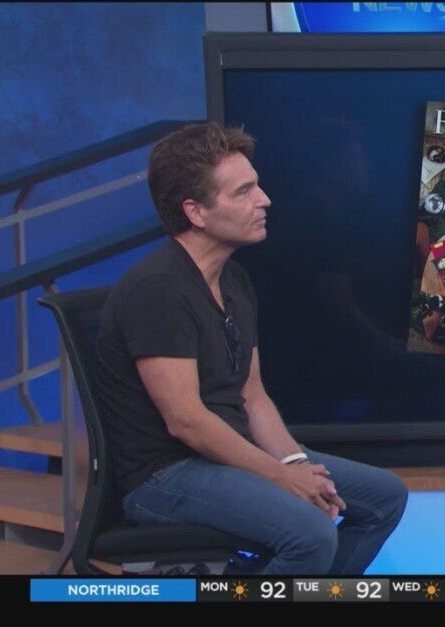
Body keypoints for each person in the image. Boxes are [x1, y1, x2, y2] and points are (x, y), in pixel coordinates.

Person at [94, 122, 408, 575]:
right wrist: (280, 476)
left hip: (225, 455)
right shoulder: (158, 290)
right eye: (244, 192)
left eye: (256, 185)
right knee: (311, 533)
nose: (265, 200)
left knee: (384, 497)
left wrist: (295, 463)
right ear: (195, 212)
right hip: (166, 475)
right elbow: (186, 421)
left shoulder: (234, 280)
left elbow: (252, 395)